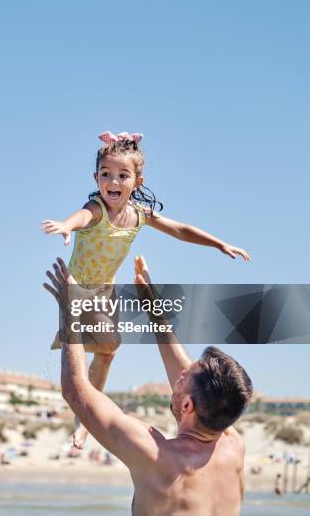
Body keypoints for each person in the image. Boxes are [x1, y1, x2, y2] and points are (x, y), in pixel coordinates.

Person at [42, 131, 251, 449]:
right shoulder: (97, 208)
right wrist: (66, 226)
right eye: (106, 174)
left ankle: (84, 423)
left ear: (137, 181)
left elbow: (179, 229)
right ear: (96, 177)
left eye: (122, 175)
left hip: (104, 290)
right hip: (77, 289)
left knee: (109, 351)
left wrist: (218, 243)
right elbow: (82, 216)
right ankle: (82, 406)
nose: (113, 181)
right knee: (99, 349)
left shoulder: (139, 215)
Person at [44, 256, 253, 516]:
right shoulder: (233, 446)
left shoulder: (155, 454)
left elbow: (76, 390)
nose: (180, 373)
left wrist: (70, 312)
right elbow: (202, 389)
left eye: (184, 376)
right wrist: (152, 305)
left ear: (188, 405)